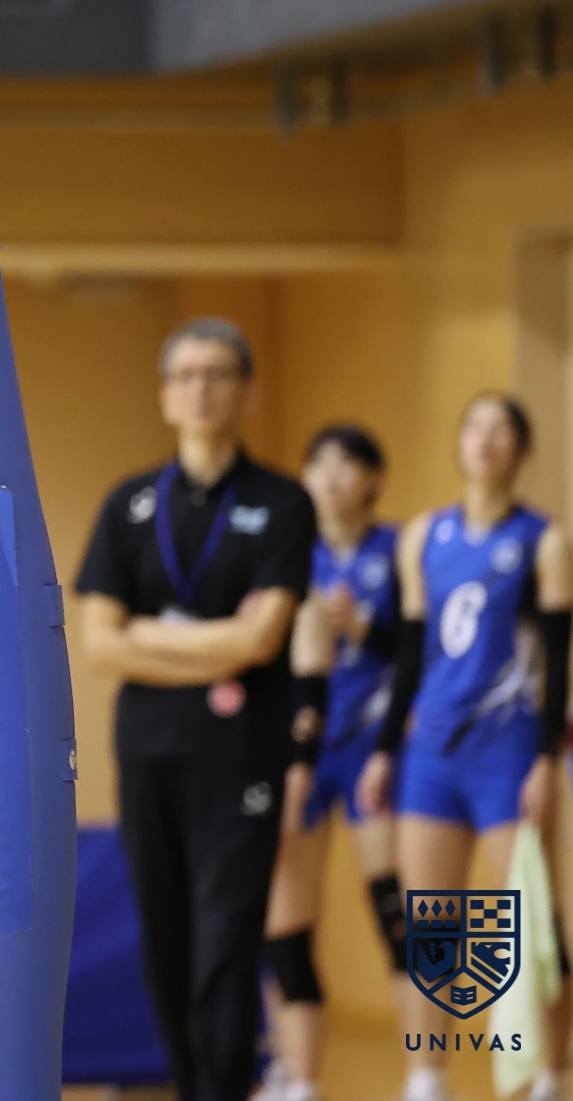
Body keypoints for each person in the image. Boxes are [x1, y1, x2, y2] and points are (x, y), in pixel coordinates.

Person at [76, 317, 315, 1101]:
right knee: (168, 938)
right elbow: (100, 644)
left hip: (243, 753)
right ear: (164, 396)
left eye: (217, 375)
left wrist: (151, 632)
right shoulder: (129, 504)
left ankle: (222, 1090)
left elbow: (263, 638)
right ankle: (191, 1086)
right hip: (149, 749)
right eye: (185, 376)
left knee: (227, 935)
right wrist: (217, 645)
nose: (200, 390)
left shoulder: (281, 502)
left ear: (247, 391)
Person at [358, 392, 573, 1101]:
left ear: (523, 450)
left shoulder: (544, 541)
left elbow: (558, 661)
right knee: (431, 925)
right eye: (474, 426)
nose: (486, 439)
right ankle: (427, 1076)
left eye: (502, 429)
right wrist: (384, 751)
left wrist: (547, 759)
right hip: (431, 755)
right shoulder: (424, 536)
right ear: (459, 443)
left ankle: (550, 1072)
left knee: (531, 919)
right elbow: (411, 653)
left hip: (508, 754)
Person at [257, 425, 408, 1101]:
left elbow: (427, 649)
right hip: (301, 756)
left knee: (399, 914)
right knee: (286, 928)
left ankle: (427, 1074)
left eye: (346, 464)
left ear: (373, 478)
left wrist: (363, 628)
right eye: (317, 464)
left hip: (375, 754)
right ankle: (299, 1079)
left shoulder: (399, 549)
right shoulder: (288, 551)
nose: (328, 476)